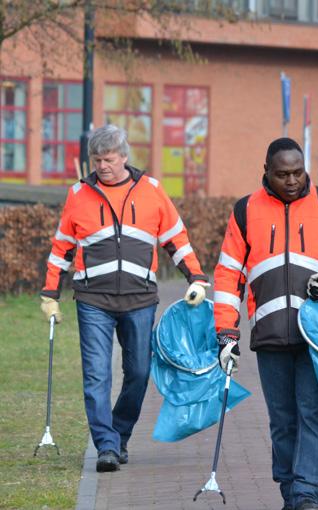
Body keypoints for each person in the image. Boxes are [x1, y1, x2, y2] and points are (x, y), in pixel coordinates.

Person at [213, 138, 318, 510]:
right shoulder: (245, 211)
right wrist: (226, 333)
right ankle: (290, 489)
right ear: (266, 172)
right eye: (282, 174)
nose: (291, 180)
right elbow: (227, 276)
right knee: (283, 421)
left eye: (297, 172)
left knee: (314, 413)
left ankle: (307, 494)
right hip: (269, 335)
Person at [40, 124, 209, 472]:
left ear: (124, 157)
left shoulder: (152, 191)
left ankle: (120, 433)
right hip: (92, 300)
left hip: (140, 299)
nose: (102, 166)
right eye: (97, 159)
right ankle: (106, 446)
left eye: (109, 159)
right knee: (96, 375)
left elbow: (176, 239)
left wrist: (196, 277)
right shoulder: (78, 195)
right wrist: (50, 294)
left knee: (138, 371)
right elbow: (62, 249)